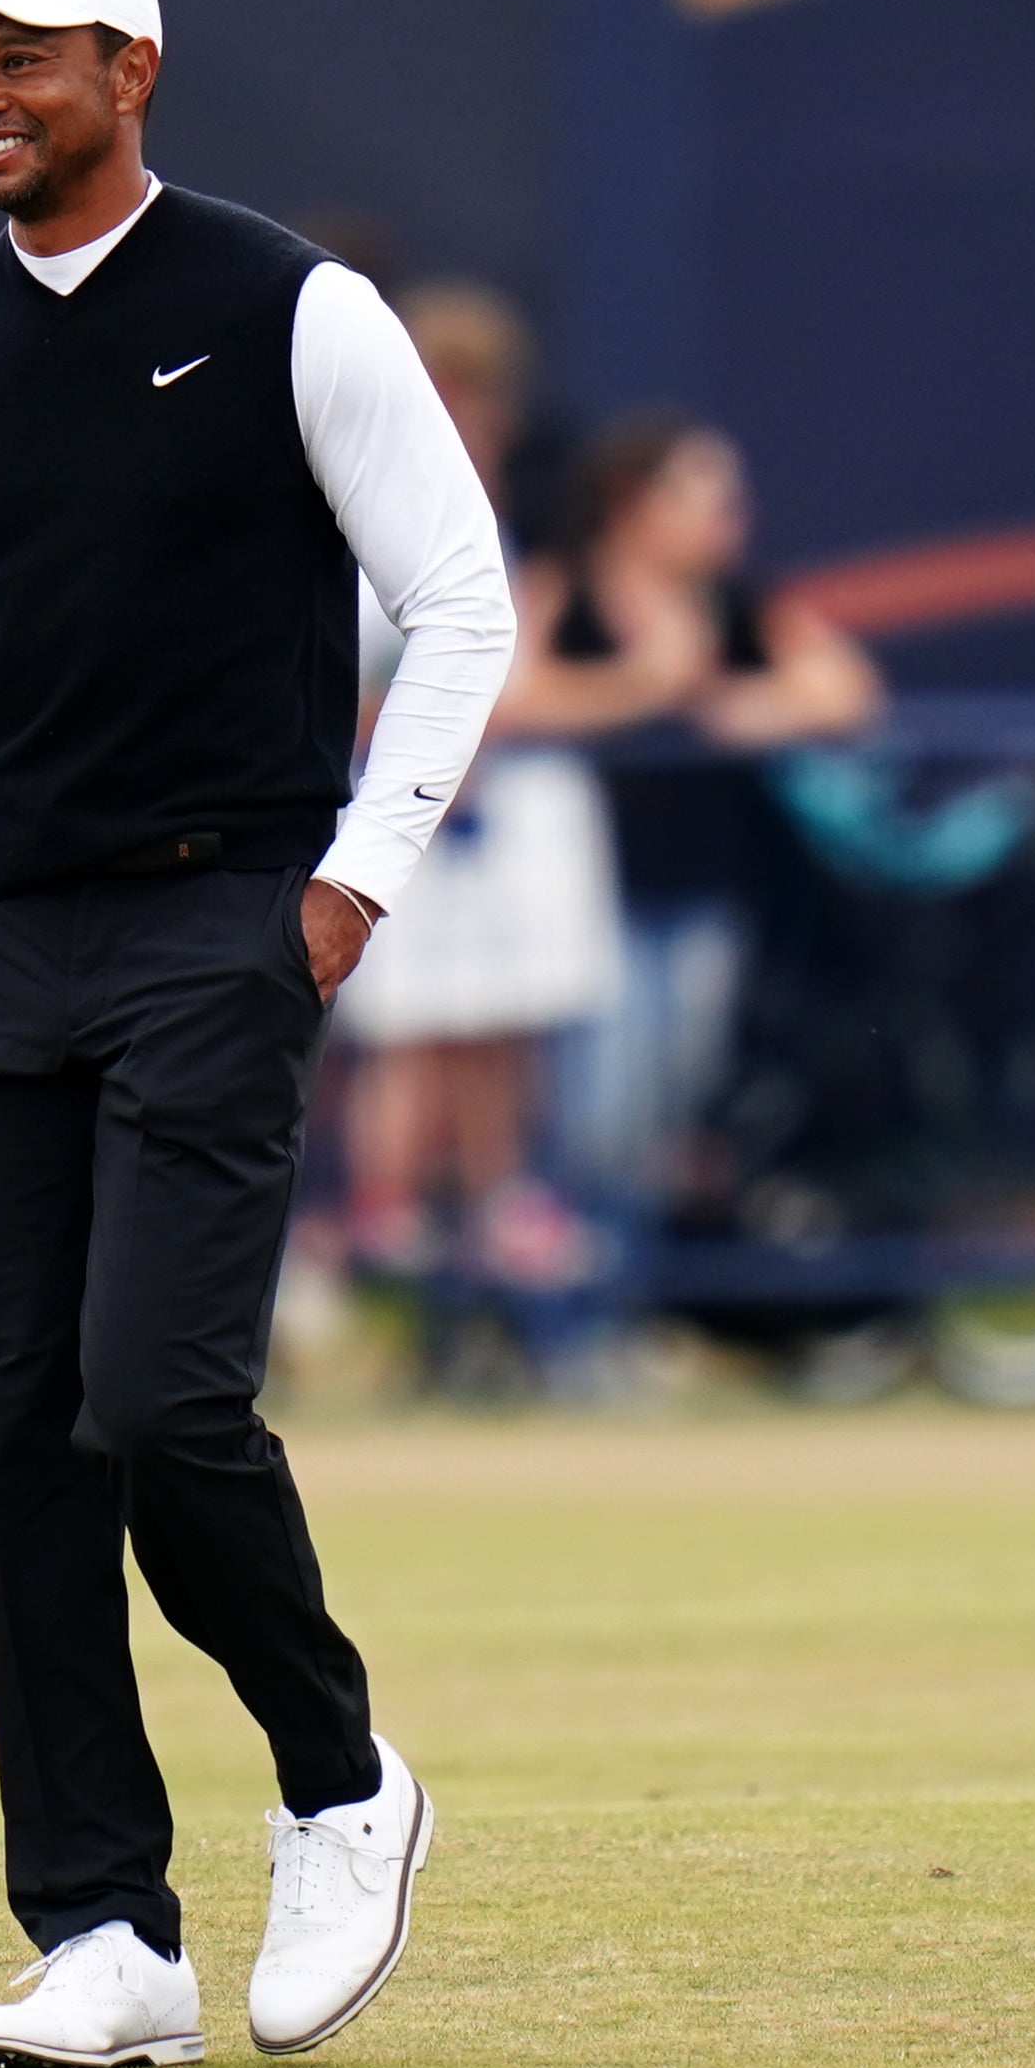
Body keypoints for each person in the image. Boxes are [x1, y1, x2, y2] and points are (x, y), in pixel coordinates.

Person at [0, 0, 514, 2068]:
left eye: (20, 60)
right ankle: (103, 1928)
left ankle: (340, 1775)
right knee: (18, 1432)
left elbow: (457, 610)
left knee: (156, 1402)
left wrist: (350, 890)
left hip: (223, 917)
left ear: (130, 70)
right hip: (3, 929)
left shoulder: (290, 306)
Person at [517, 409, 880, 1336]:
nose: (731, 515)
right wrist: (645, 685)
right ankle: (566, 1326)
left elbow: (847, 692)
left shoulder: (739, 605)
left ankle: (633, 1313)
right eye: (706, 493)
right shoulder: (566, 590)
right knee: (595, 1116)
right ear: (636, 504)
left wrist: (743, 704)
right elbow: (509, 697)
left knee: (667, 1116)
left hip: (706, 897)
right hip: (586, 900)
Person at [330, 283, 621, 1330]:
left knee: (493, 1015)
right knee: (409, 1027)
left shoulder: (476, 513)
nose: (494, 427)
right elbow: (339, 685)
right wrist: (430, 731)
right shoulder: (367, 506)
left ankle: (496, 1199)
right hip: (396, 814)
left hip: (461, 814)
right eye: (478, 402)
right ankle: (387, 1209)